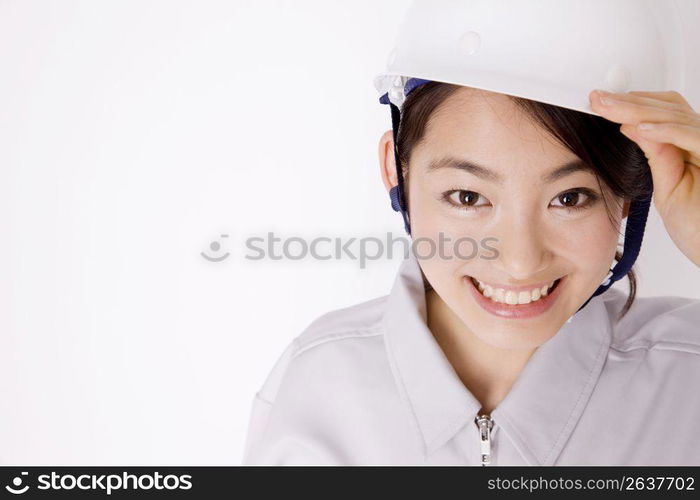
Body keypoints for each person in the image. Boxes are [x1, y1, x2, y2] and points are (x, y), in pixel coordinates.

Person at [241, 0, 700, 465]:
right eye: (467, 197)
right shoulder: (317, 383)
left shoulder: (688, 373)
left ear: (628, 194)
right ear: (394, 170)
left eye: (570, 197)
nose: (520, 261)